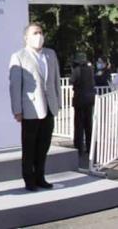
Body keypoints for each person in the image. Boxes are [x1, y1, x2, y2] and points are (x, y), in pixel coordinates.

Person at [9, 23, 61, 191]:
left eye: (40, 32)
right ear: (26, 38)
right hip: (30, 109)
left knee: (44, 146)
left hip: (49, 108)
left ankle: (40, 177)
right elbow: (15, 86)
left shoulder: (50, 54)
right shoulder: (19, 56)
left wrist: (58, 103)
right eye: (35, 33)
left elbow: (56, 81)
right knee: (29, 147)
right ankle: (29, 179)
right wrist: (17, 109)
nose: (39, 36)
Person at [70, 52, 95, 155]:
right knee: (88, 124)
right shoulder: (91, 70)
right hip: (90, 100)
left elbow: (72, 81)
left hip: (79, 100)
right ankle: (90, 147)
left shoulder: (77, 70)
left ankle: (78, 148)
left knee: (79, 125)